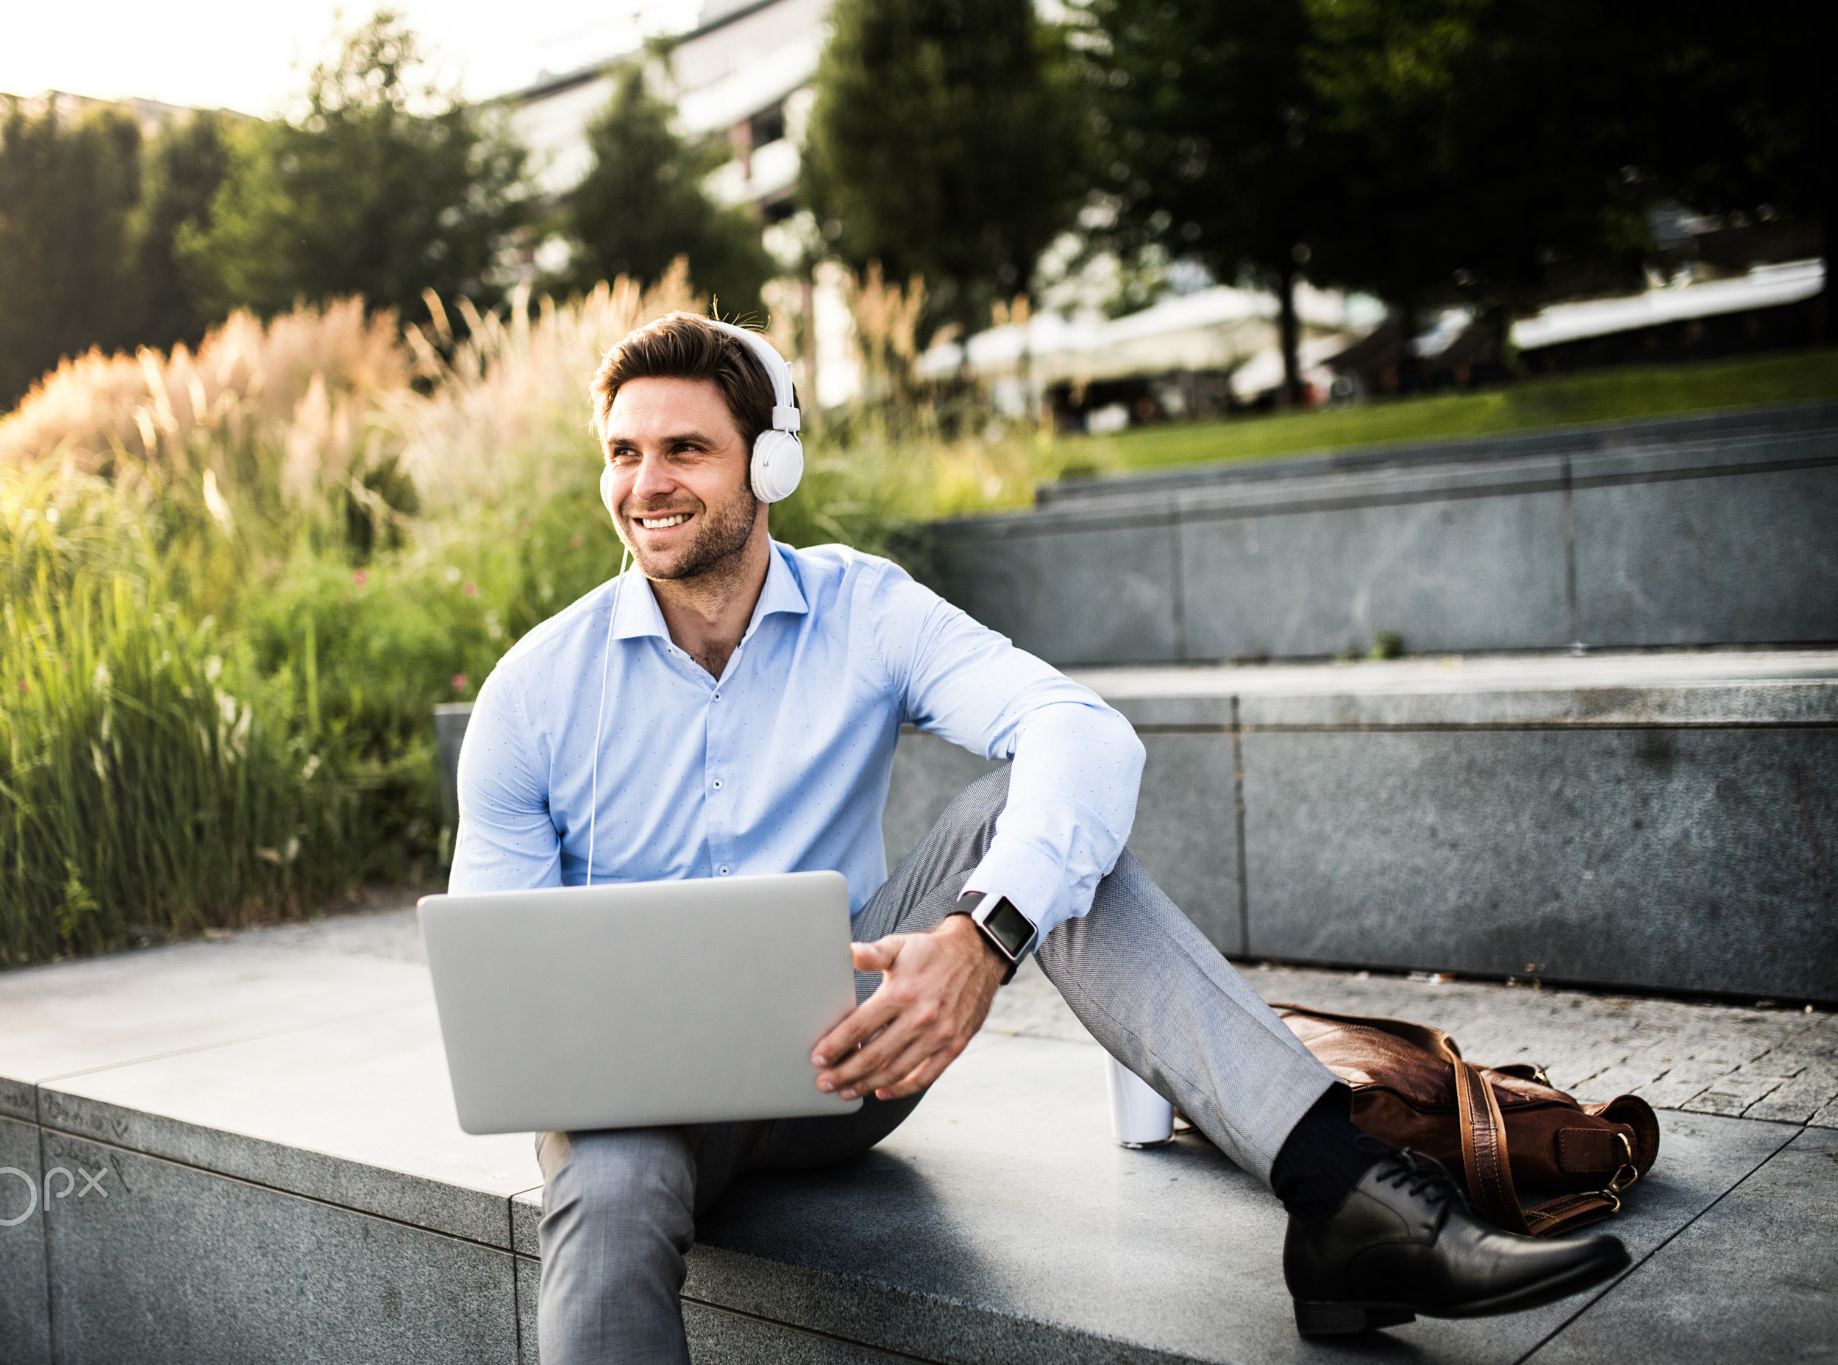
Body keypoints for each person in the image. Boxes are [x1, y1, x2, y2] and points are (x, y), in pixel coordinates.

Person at [448, 313, 1628, 1363]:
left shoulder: (864, 609)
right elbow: (503, 989)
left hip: (850, 1061)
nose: (646, 482)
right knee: (604, 1191)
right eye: (623, 452)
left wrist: (981, 936)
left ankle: (1347, 1202)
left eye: (683, 449)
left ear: (770, 464)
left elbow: (1079, 732)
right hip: (638, 1118)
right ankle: (1347, 1209)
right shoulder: (533, 691)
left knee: (1033, 818)